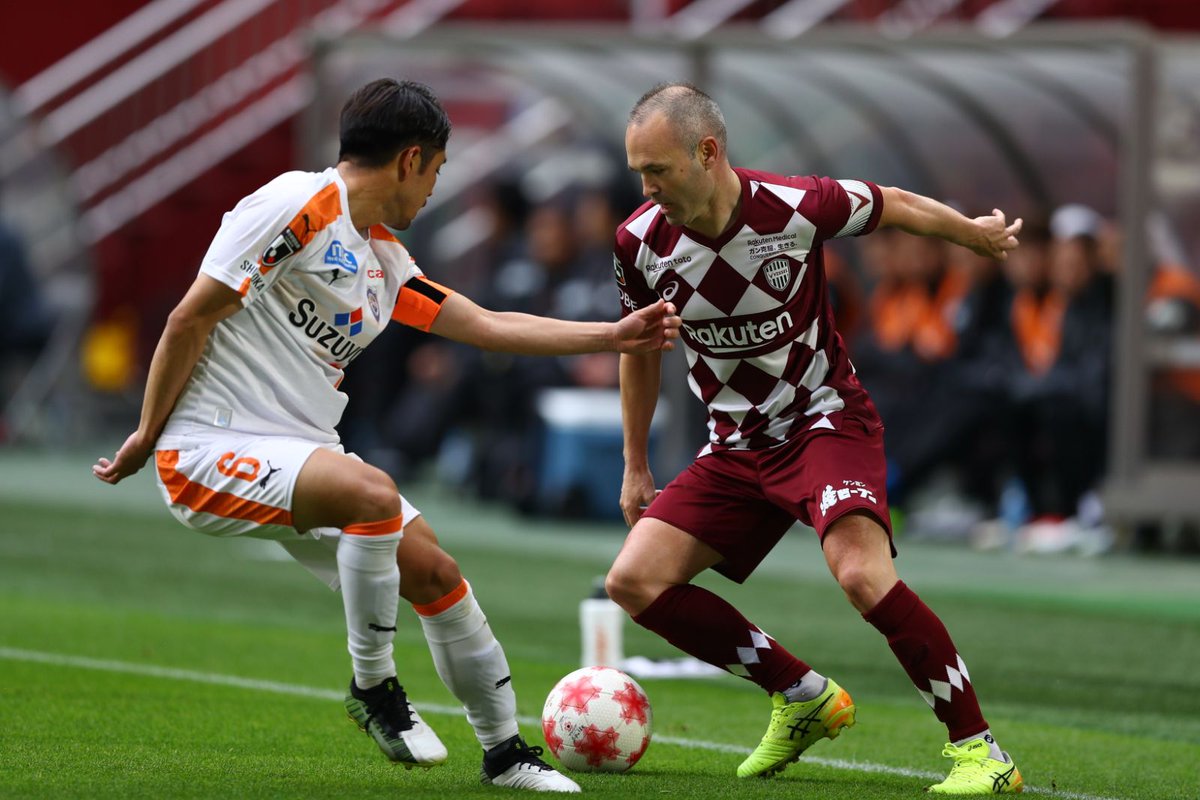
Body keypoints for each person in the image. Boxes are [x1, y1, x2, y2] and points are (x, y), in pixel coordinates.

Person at [92, 78, 680, 794]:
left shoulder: (385, 262)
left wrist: (613, 335)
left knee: (435, 570)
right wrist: (148, 434)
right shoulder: (295, 205)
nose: (435, 188)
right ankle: (374, 689)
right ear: (410, 160)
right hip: (211, 449)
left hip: (302, 457)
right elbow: (190, 317)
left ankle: (505, 753)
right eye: (435, 169)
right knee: (372, 492)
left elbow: (487, 324)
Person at [605, 83, 1023, 795]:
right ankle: (802, 697)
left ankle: (982, 752)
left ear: (708, 152)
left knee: (861, 576)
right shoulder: (638, 241)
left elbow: (894, 202)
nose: (647, 188)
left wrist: (972, 234)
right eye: (638, 172)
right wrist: (635, 463)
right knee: (634, 583)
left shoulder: (794, 206)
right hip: (736, 446)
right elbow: (640, 348)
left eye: (659, 170)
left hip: (824, 421)